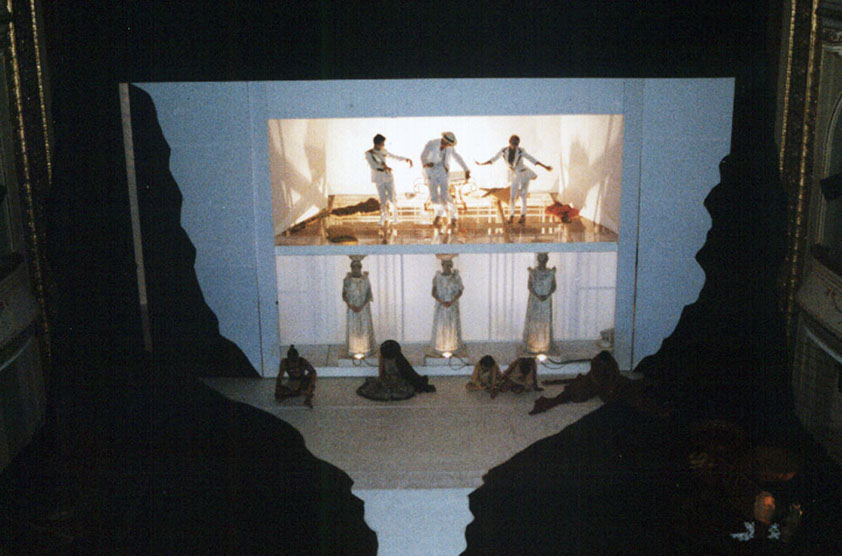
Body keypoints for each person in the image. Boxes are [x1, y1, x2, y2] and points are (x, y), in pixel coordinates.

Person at [476, 134, 552, 224]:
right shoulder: (504, 150)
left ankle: (523, 216)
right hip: (516, 175)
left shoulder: (520, 151)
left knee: (523, 196)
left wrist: (545, 167)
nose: (514, 146)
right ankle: (511, 216)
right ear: (509, 142)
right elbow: (494, 159)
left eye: (516, 144)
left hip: (524, 174)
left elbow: (532, 159)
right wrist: (482, 164)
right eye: (513, 144)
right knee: (512, 197)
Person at [356, 339, 436, 401]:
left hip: (393, 380)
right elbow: (406, 372)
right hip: (392, 381)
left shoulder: (395, 359)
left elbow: (383, 373)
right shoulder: (397, 359)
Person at [420, 131, 470, 226]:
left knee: (445, 195)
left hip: (443, 172)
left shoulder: (450, 148)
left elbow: (457, 158)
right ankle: (439, 213)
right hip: (431, 171)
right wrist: (426, 163)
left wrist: (466, 169)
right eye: (447, 143)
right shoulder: (432, 143)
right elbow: (423, 155)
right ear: (444, 140)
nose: (448, 146)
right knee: (434, 197)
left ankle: (454, 217)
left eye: (450, 144)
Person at [364, 133, 412, 227]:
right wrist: (384, 168)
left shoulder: (384, 151)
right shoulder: (369, 153)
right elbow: (373, 165)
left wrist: (405, 159)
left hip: (388, 177)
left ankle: (395, 217)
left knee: (392, 197)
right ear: (377, 143)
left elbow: (393, 156)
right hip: (378, 178)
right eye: (382, 143)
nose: (384, 145)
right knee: (382, 199)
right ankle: (384, 217)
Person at [522, 253, 557, 354]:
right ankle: (533, 344)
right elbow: (530, 286)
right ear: (538, 260)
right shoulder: (533, 272)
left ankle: (544, 344)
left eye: (544, 259)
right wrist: (538, 296)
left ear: (546, 260)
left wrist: (546, 295)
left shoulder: (551, 272)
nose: (542, 262)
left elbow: (553, 286)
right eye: (541, 259)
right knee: (534, 321)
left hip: (545, 301)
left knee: (545, 321)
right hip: (535, 301)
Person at [342, 256, 376, 357]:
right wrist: (351, 306)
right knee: (354, 328)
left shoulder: (365, 280)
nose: (355, 269)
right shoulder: (347, 280)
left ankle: (365, 349)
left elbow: (368, 294)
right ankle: (354, 349)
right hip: (352, 309)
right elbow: (344, 295)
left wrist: (361, 306)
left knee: (363, 328)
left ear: (360, 268)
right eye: (353, 267)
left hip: (363, 309)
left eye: (357, 267)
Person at [430, 255, 464, 355]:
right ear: (442, 265)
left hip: (452, 306)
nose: (447, 267)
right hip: (441, 306)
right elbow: (433, 292)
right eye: (445, 265)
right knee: (442, 325)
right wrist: (442, 302)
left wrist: (452, 302)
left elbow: (460, 291)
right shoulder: (438, 277)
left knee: (452, 325)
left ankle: (452, 346)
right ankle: (441, 346)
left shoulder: (456, 277)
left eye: (449, 265)